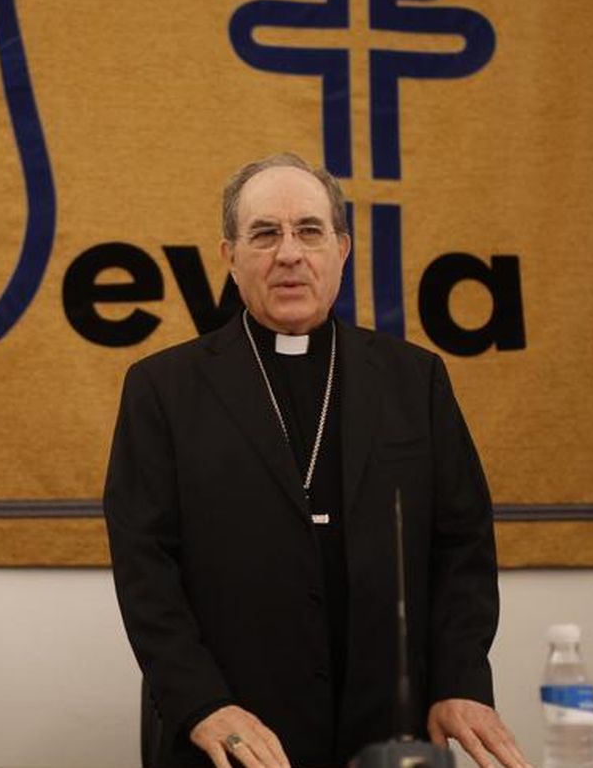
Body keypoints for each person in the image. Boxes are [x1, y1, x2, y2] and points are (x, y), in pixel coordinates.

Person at [103, 154, 528, 768]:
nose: (289, 254)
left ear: (342, 248)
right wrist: (200, 704)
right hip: (235, 733)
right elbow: (145, 569)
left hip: (390, 728)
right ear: (229, 255)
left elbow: (461, 543)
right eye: (265, 234)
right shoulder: (163, 389)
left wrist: (459, 679)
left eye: (309, 231)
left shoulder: (415, 380)